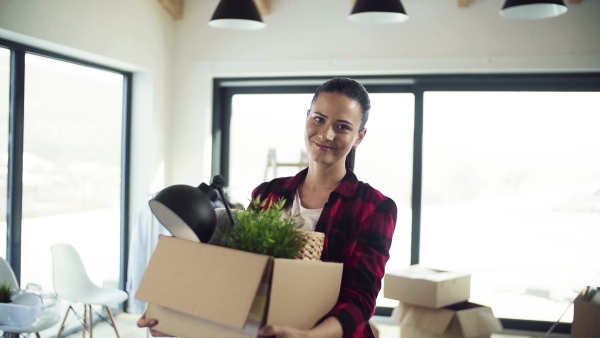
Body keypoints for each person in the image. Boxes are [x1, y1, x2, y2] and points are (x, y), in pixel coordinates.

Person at [137, 77, 397, 338]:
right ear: (307, 117)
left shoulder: (375, 208)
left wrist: (306, 336)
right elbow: (238, 273)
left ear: (359, 137)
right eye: (319, 119)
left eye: (342, 127)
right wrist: (174, 318)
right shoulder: (269, 193)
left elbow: (360, 299)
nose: (326, 134)